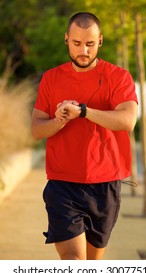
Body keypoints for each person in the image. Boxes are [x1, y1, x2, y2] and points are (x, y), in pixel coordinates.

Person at [31, 12, 138, 260]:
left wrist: (83, 112)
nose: (84, 51)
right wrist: (59, 119)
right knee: (73, 262)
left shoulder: (118, 77)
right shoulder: (51, 78)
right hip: (62, 184)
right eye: (77, 43)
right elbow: (37, 129)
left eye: (90, 44)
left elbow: (127, 121)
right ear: (67, 39)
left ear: (100, 41)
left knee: (92, 264)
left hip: (105, 183)